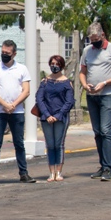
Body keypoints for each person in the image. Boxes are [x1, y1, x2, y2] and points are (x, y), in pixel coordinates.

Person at [79, 22, 111, 181]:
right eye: (91, 40)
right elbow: (82, 72)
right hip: (92, 95)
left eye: (96, 39)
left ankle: (108, 168)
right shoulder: (87, 51)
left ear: (102, 35)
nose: (94, 42)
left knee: (106, 130)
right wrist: (85, 85)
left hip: (109, 94)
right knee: (98, 132)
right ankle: (102, 165)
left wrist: (105, 83)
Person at [0, 40, 35, 185]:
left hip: (17, 111)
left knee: (19, 143)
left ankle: (23, 173)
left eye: (7, 53)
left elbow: (26, 91)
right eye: (2, 52)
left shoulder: (22, 69)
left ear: (14, 54)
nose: (4, 55)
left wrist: (13, 105)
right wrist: (4, 104)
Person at [35, 54, 74, 182]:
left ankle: (59, 172)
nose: (54, 66)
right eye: (52, 64)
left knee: (59, 144)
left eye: (57, 64)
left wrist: (58, 115)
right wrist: (47, 115)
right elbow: (39, 99)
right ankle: (51, 172)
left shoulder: (67, 82)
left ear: (62, 66)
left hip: (61, 118)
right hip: (46, 118)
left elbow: (69, 101)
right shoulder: (45, 82)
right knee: (50, 145)